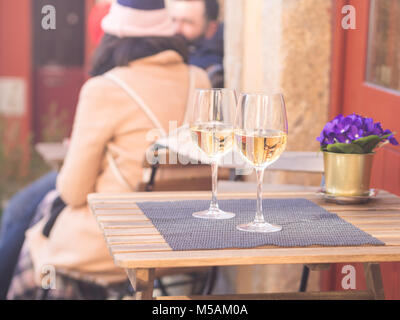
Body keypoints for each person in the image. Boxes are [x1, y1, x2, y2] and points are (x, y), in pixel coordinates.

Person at [6, 0, 210, 299]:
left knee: (33, 231)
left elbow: (74, 192)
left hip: (120, 241)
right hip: (185, 239)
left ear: (114, 37)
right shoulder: (199, 79)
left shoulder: (104, 88)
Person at [169, 0, 224, 87]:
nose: (177, 29)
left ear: (211, 28)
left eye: (187, 22)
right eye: (173, 20)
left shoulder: (214, 70)